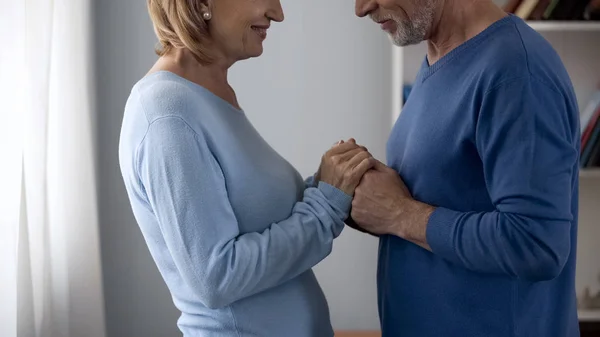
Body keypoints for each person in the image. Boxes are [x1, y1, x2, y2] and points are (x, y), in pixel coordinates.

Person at [118, 0, 375, 336]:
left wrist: (331, 186)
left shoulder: (208, 95)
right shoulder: (168, 112)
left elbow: (258, 219)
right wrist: (325, 205)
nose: (277, 13)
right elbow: (217, 278)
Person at [350, 0, 581, 336]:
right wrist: (366, 200)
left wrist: (401, 215)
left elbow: (537, 245)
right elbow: (445, 196)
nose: (361, 8)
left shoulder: (515, 71)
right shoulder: (438, 55)